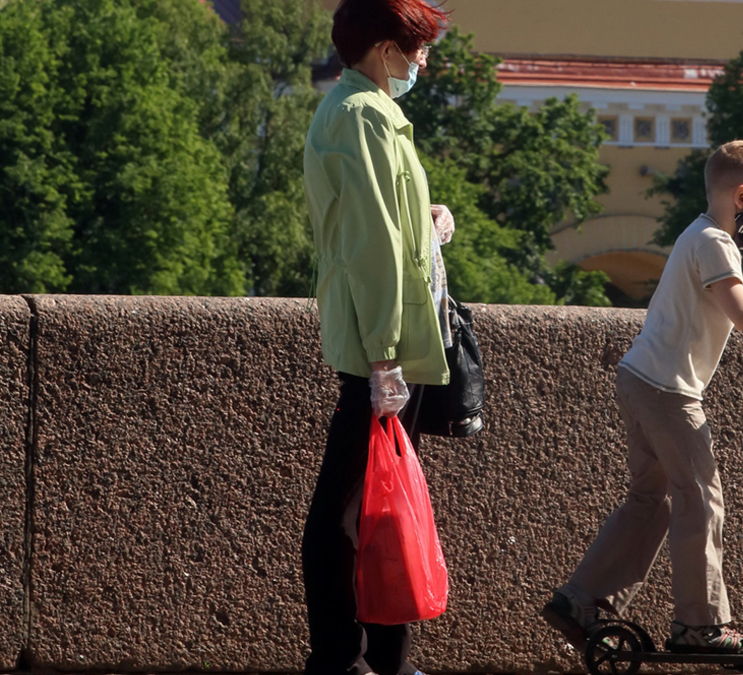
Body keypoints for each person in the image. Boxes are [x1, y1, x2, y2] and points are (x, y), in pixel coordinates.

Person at [540, 140, 743, 655]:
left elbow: (742, 305)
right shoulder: (716, 244)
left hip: (640, 377)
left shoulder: (697, 233)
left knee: (651, 501)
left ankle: (580, 599)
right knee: (701, 502)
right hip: (668, 391)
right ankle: (699, 626)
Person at [299, 1, 455, 674]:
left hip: (382, 339)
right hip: (380, 347)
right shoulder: (364, 115)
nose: (424, 59)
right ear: (386, 49)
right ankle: (344, 659)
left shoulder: (366, 111)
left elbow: (385, 227)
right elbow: (373, 248)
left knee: (375, 504)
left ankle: (377, 659)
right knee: (347, 510)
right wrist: (386, 354)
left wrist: (430, 223)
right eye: (417, 46)